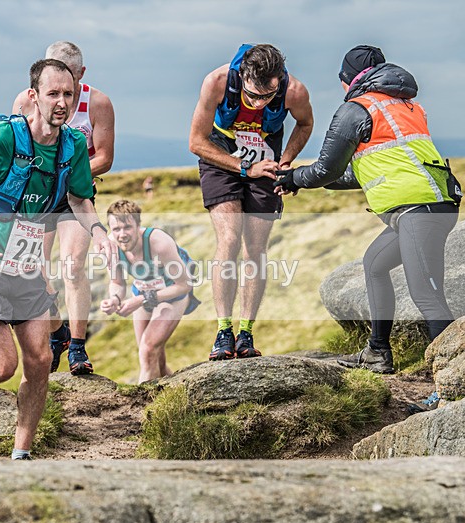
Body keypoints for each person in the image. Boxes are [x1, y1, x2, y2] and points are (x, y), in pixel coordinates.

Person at [0, 59, 116, 460]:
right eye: (53, 93)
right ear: (33, 96)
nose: (61, 102)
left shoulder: (72, 145)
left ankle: (21, 456)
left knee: (40, 359)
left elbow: (78, 197)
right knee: (0, 368)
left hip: (22, 262)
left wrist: (101, 233)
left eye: (68, 94)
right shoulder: (3, 137)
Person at [274, 45, 460, 376]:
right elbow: (364, 171)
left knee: (427, 296)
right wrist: (307, 181)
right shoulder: (404, 106)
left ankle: (453, 384)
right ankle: (377, 352)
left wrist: (293, 178)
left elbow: (326, 169)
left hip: (420, 210)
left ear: (348, 80)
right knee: (375, 264)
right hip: (429, 205)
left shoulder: (356, 109)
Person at [188, 43, 313, 361]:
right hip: (221, 156)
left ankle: (245, 333)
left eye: (267, 96)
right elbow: (196, 141)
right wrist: (244, 167)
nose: (259, 103)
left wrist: (285, 162)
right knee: (229, 239)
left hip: (266, 160)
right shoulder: (216, 82)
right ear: (242, 76)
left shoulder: (294, 90)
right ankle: (223, 331)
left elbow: (305, 123)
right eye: (252, 95)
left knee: (254, 249)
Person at [12, 41, 116, 375]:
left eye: (68, 81)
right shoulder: (24, 101)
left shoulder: (98, 103)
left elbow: (105, 156)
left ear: (81, 75)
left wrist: (72, 171)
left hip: (74, 193)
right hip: (38, 196)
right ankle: (58, 331)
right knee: (34, 268)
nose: (60, 96)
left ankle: (78, 348)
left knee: (72, 265)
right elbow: (16, 151)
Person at [100, 200, 200, 382]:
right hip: (143, 294)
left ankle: (144, 406)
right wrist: (114, 299)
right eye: (116, 229)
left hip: (173, 294)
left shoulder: (159, 243)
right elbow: (117, 282)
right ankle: (180, 396)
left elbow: (184, 284)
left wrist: (141, 300)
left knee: (147, 350)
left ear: (138, 225)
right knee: (152, 358)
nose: (122, 235)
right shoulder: (111, 247)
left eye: (127, 227)